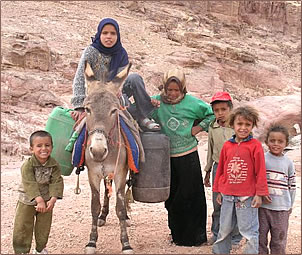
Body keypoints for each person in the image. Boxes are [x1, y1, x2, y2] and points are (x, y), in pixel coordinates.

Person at [150, 69, 215, 246]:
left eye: (176, 90)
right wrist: (149, 105)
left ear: (183, 89)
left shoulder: (193, 103)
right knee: (172, 197)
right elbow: (142, 115)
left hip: (188, 156)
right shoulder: (157, 101)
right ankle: (177, 235)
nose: (171, 93)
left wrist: (198, 128)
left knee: (192, 196)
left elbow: (212, 113)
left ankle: (197, 237)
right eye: (168, 90)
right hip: (166, 157)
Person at [71, 17, 160, 131]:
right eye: (105, 33)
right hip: (95, 92)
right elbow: (79, 78)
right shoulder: (91, 51)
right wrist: (79, 107)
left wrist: (116, 90)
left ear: (117, 35)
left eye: (113, 33)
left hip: (115, 90)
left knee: (135, 78)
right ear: (99, 34)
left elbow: (121, 78)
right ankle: (138, 115)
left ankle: (145, 115)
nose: (109, 36)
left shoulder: (121, 53)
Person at [212, 106, 269, 254]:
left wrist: (259, 193)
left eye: (247, 125)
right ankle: (219, 252)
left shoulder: (255, 146)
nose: (243, 128)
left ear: (252, 126)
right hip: (227, 195)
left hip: (247, 196)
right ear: (233, 124)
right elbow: (221, 169)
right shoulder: (227, 146)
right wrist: (218, 190)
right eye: (240, 124)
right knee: (224, 229)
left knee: (248, 230)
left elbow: (260, 171)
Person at [12, 130, 64, 254]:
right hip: (27, 200)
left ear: (52, 147)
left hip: (46, 201)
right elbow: (29, 183)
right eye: (39, 146)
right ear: (31, 148)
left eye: (47, 145)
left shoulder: (54, 165)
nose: (44, 149)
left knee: (43, 227)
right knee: (23, 226)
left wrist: (53, 199)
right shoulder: (28, 165)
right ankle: (21, 250)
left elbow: (57, 181)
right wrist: (38, 200)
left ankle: (40, 249)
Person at [203, 91, 242, 246]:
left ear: (230, 109)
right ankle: (217, 234)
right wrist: (207, 172)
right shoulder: (212, 127)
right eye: (216, 110)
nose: (220, 113)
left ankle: (235, 237)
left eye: (223, 109)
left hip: (237, 169)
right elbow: (211, 150)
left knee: (236, 203)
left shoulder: (239, 126)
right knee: (218, 203)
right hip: (218, 169)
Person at [259, 125, 296, 254]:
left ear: (286, 143)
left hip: (281, 209)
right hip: (262, 208)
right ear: (266, 141)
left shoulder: (288, 163)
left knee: (279, 240)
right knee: (260, 238)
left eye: (280, 141)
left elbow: (292, 185)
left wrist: (290, 205)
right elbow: (256, 179)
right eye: (272, 140)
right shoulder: (262, 158)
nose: (276, 144)